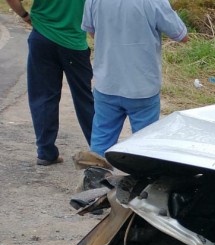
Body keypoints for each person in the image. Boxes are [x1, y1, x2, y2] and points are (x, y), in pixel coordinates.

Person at [78, 0, 188, 167]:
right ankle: (140, 186)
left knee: (100, 144)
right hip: (142, 86)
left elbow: (92, 32)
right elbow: (181, 35)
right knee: (144, 148)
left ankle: (93, 182)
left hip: (107, 82)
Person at [5, 0, 94, 166]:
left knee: (43, 95)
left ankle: (46, 152)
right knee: (85, 98)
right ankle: (98, 149)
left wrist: (24, 15)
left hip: (42, 36)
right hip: (73, 41)